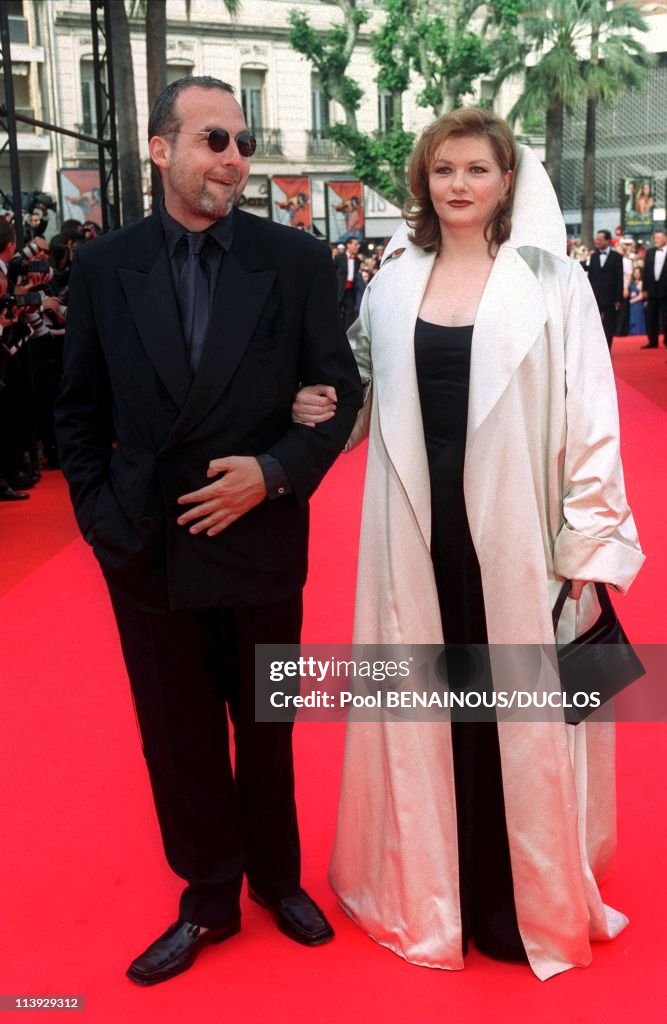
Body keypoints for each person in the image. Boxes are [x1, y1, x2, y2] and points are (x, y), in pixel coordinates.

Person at [293, 108, 643, 981]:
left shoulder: (554, 284)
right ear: (423, 180)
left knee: (513, 713)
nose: (457, 184)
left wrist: (587, 545)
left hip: (517, 533)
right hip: (415, 533)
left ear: (506, 182)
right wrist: (315, 410)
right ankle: (431, 887)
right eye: (442, 169)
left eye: (476, 170)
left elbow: (593, 421)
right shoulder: (390, 282)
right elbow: (361, 390)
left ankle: (514, 898)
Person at [55, 76, 362, 986]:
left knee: (266, 725)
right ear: (162, 150)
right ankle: (208, 897)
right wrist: (106, 522)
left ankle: (277, 877)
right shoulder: (106, 268)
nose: (234, 158)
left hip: (260, 541)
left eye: (244, 144)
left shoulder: (295, 262)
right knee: (178, 735)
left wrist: (271, 473)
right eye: (215, 139)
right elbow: (77, 412)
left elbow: (337, 394)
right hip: (147, 544)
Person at [585, 229, 624, 349]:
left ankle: (607, 348)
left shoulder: (616, 257)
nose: (597, 241)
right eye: (597, 239)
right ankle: (595, 349)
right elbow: (590, 276)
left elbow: (619, 278)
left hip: (610, 296)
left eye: (600, 239)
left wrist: (618, 298)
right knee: (594, 324)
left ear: (607, 240)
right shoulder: (594, 256)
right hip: (595, 296)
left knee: (609, 325)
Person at [641, 227, 667, 349]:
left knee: (666, 317)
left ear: (665, 238)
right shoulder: (650, 252)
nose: (655, 240)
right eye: (654, 238)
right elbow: (645, 272)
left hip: (665, 290)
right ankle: (652, 340)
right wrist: (644, 289)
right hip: (651, 289)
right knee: (651, 317)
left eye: (658, 238)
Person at [628, 266, 647, 336]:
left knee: (638, 320)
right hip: (631, 306)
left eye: (638, 273)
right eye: (635, 272)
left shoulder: (641, 283)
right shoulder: (631, 283)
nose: (636, 274)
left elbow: (641, 296)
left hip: (638, 305)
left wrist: (631, 301)